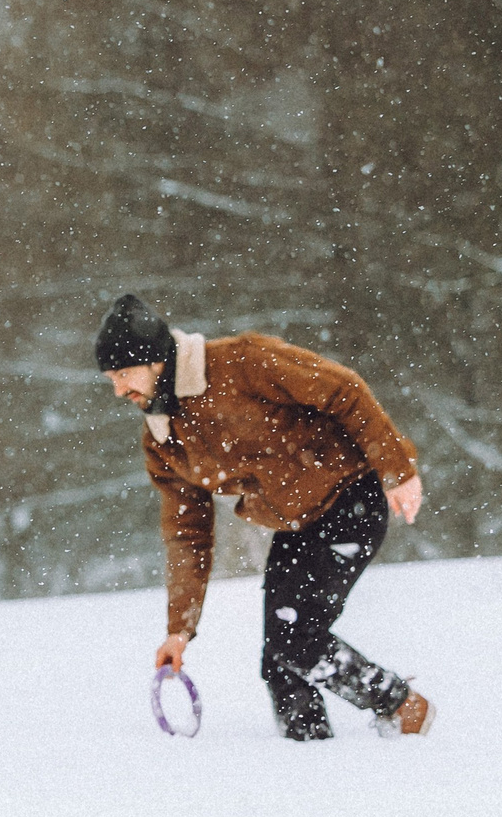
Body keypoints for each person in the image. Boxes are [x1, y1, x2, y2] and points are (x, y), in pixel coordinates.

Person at [95, 294, 434, 741]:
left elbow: (343, 389)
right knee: (278, 662)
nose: (119, 389)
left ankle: (401, 707)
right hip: (296, 524)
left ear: (156, 360)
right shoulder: (163, 440)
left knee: (297, 641)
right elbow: (187, 535)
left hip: (351, 499)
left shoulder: (241, 362)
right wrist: (179, 630)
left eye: (123, 374)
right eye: (110, 379)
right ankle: (308, 759)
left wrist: (397, 470)